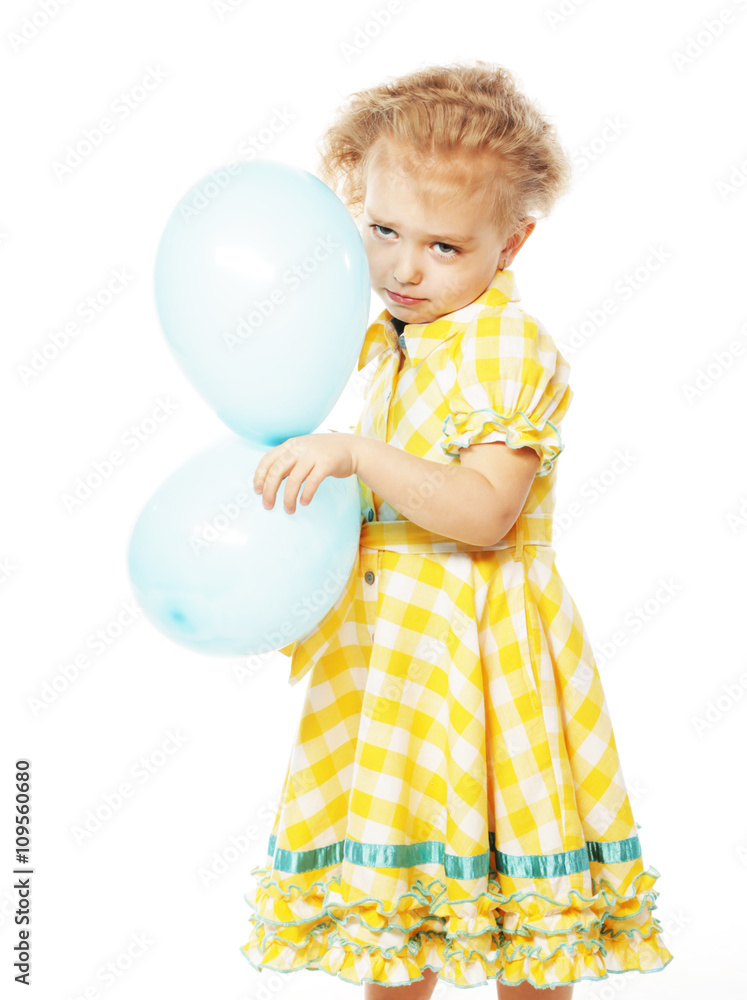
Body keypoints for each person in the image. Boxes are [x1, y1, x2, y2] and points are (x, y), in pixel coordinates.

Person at [240, 61, 674, 996]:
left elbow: (483, 512)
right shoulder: (403, 339)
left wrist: (355, 454)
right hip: (393, 653)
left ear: (510, 245)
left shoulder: (503, 344)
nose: (405, 269)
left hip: (480, 650)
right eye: (383, 230)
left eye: (444, 246)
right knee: (395, 904)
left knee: (517, 898)